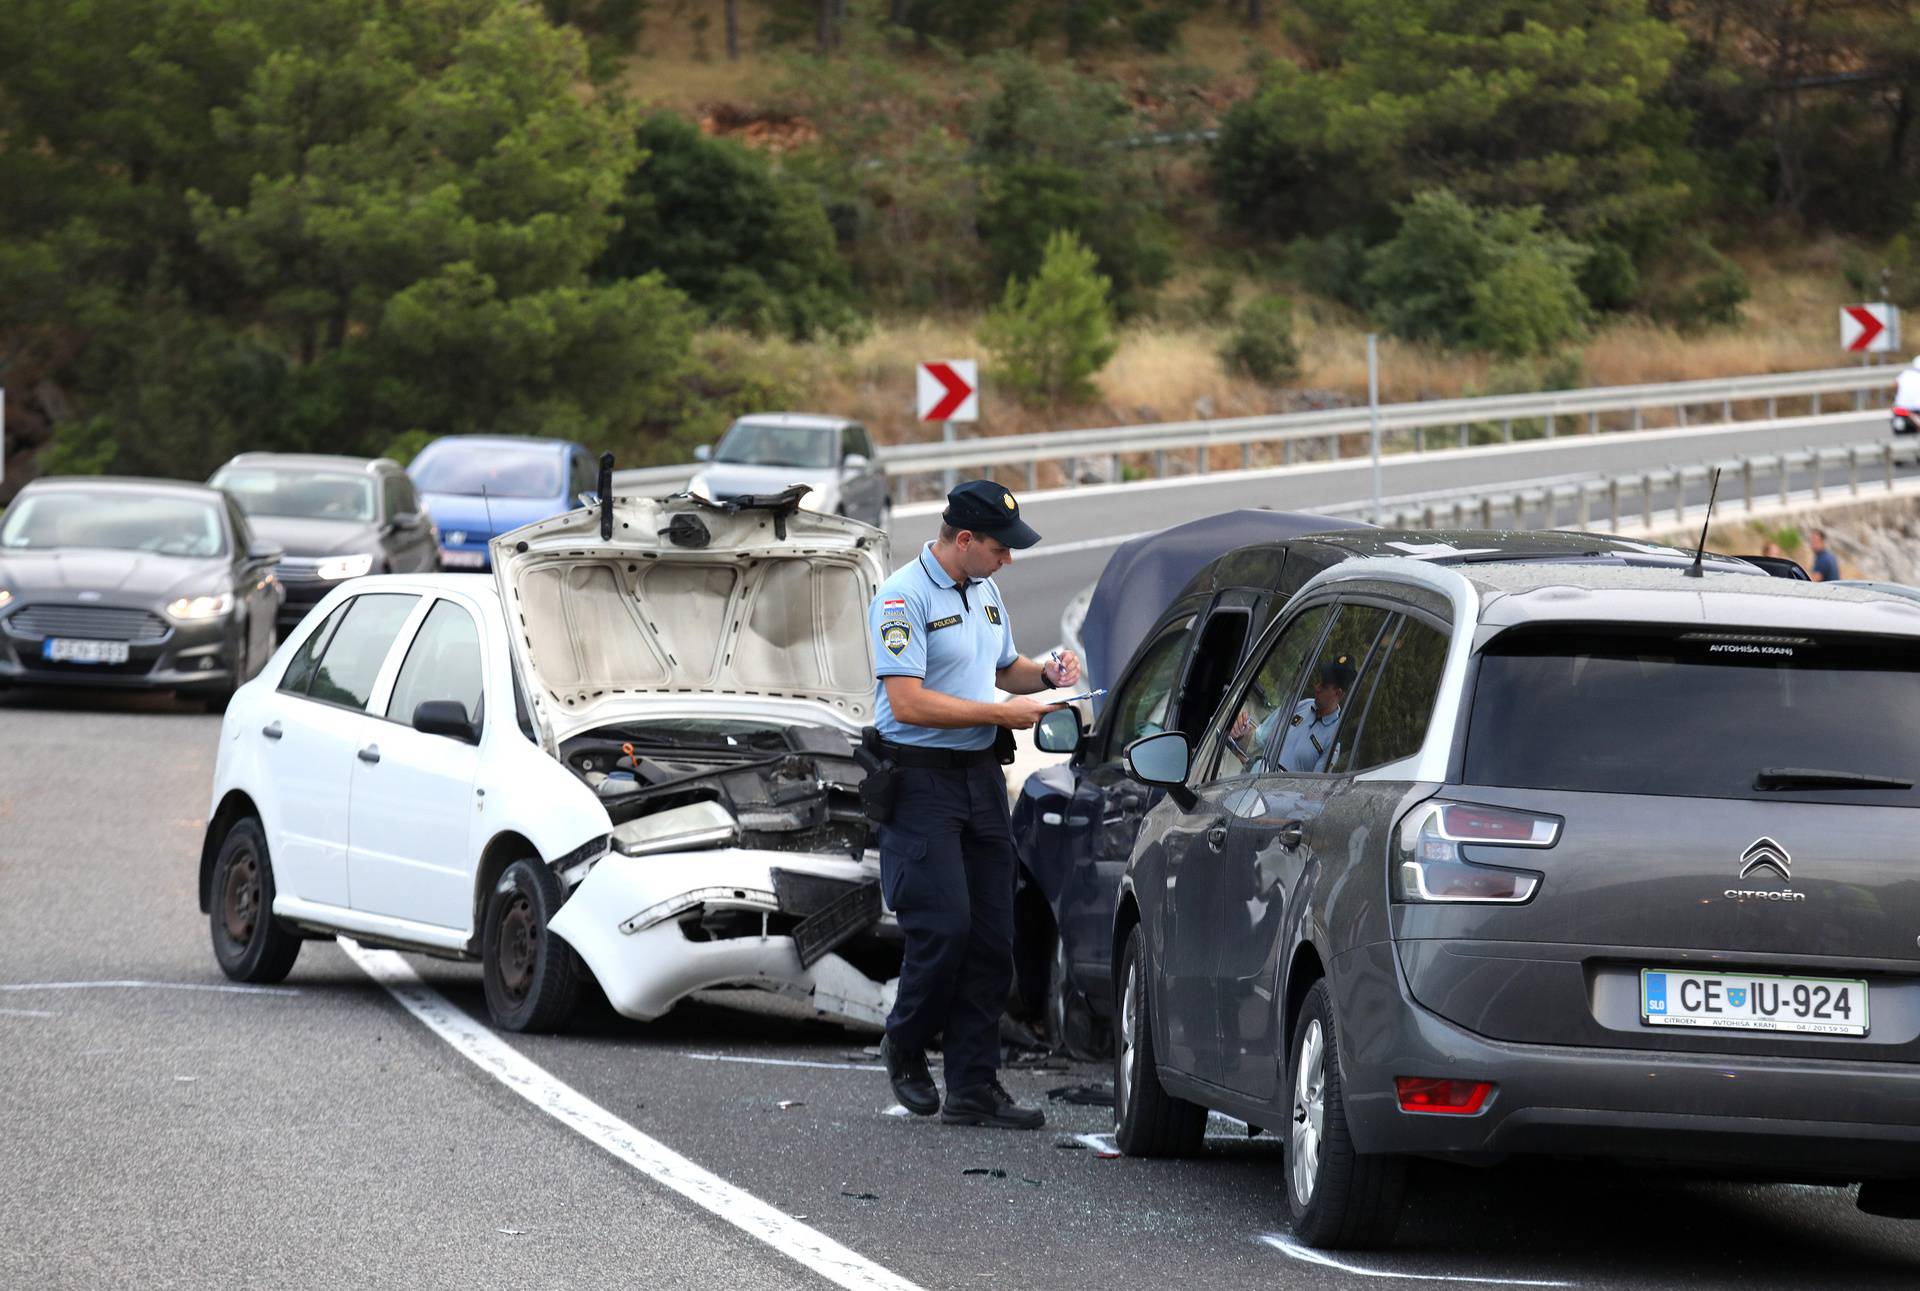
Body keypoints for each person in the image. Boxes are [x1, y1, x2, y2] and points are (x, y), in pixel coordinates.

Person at [867, 479, 1079, 1130]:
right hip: (923, 779)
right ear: (964, 540)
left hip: (981, 779)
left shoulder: (984, 591)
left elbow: (1004, 664)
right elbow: (907, 701)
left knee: (993, 937)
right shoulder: (903, 596)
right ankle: (905, 1041)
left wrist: (1044, 675)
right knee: (946, 927)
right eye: (999, 548)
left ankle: (973, 1086)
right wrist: (1000, 711)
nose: (1008, 560)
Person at [1270, 657, 1357, 773]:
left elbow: (1313, 786)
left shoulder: (1332, 740)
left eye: (1324, 686)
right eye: (1320, 682)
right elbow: (1261, 736)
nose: (1317, 687)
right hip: (1260, 770)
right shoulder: (1304, 705)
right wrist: (1242, 726)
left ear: (1338, 693)